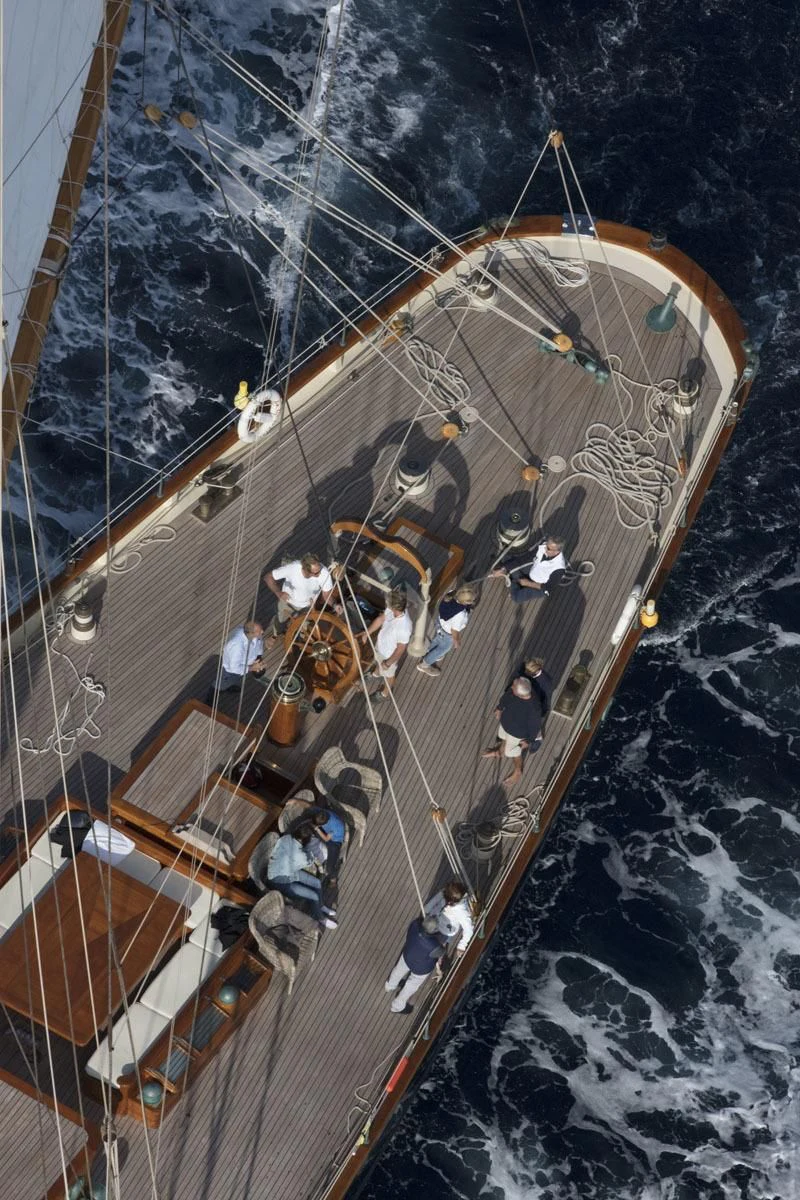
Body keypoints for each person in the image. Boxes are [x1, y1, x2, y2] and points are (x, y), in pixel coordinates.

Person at [267, 824, 337, 928]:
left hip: (286, 871)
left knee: (317, 882)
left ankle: (320, 905)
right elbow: (309, 861)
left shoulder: (286, 838)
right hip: (279, 881)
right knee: (314, 896)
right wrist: (311, 853)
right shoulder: (301, 856)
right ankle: (320, 918)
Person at [482, 676, 543, 787]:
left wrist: (529, 740)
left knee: (512, 752)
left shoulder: (534, 708)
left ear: (520, 694)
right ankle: (499, 752)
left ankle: (518, 771)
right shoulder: (513, 692)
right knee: (503, 737)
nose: (511, 687)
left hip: (517, 733)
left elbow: (535, 726)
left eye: (513, 687)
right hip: (506, 723)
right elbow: (506, 697)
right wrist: (500, 707)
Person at [263, 552, 335, 643]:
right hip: (288, 602)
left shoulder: (324, 573)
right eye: (316, 573)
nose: (320, 574)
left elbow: (326, 595)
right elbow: (268, 577)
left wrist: (335, 605)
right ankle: (275, 635)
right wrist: (279, 593)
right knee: (281, 620)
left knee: (304, 627)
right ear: (306, 571)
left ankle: (299, 641)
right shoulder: (293, 568)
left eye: (320, 569)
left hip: (308, 605)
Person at [357, 589, 412, 701]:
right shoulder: (392, 610)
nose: (387, 604)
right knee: (378, 662)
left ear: (394, 607)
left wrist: (388, 663)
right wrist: (367, 633)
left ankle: (385, 693)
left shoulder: (405, 627)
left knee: (389, 675)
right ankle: (376, 673)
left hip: (389, 655)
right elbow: (381, 619)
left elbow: (401, 649)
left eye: (388, 603)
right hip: (380, 646)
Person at [385, 915, 446, 1014]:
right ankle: (397, 1006)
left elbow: (417, 922)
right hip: (421, 968)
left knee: (398, 971)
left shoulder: (415, 925)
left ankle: (389, 986)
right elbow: (441, 952)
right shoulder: (434, 945)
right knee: (411, 986)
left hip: (407, 956)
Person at [416, 584, 477, 678]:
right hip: (447, 634)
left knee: (435, 640)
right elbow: (454, 630)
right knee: (442, 649)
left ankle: (426, 651)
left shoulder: (450, 595)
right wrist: (456, 641)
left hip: (439, 624)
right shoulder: (460, 615)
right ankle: (424, 665)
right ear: (466, 602)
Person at [490, 536, 566, 602]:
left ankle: (513, 582)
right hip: (533, 569)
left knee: (517, 597)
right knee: (509, 563)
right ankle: (509, 576)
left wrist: (527, 583)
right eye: (546, 545)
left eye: (548, 548)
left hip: (540, 585)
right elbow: (525, 558)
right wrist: (504, 568)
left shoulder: (559, 569)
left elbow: (547, 589)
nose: (545, 548)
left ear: (557, 552)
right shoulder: (543, 545)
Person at [208, 620, 265, 699]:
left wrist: (258, 658)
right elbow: (234, 668)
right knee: (220, 684)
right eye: (259, 631)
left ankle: (228, 686)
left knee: (234, 680)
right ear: (251, 633)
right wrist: (252, 668)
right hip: (230, 671)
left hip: (244, 667)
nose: (262, 631)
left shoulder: (256, 635)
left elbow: (259, 644)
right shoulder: (237, 646)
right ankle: (210, 700)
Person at [424, 880, 474, 955]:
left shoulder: (462, 912)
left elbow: (469, 929)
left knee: (438, 945)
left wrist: (461, 946)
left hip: (446, 931)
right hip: (436, 919)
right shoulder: (447, 892)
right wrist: (426, 909)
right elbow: (436, 899)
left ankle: (441, 954)